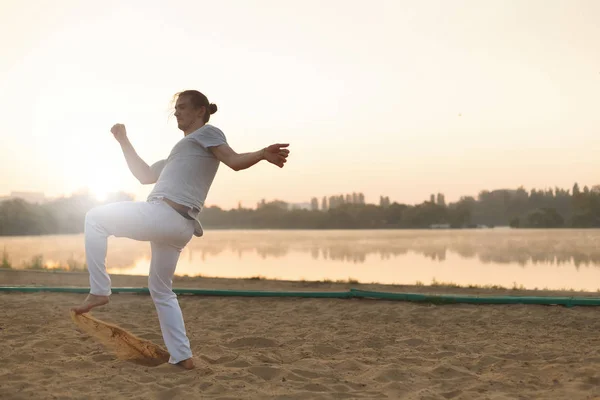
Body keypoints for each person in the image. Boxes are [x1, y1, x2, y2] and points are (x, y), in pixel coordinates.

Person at [71, 90, 290, 369]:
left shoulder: (208, 133)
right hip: (178, 226)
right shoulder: (181, 151)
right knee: (161, 291)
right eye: (176, 108)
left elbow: (233, 161)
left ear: (200, 111)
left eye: (183, 107)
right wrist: (124, 141)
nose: (177, 112)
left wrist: (261, 154)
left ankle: (100, 290)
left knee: (94, 217)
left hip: (164, 215)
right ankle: (183, 358)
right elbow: (144, 175)